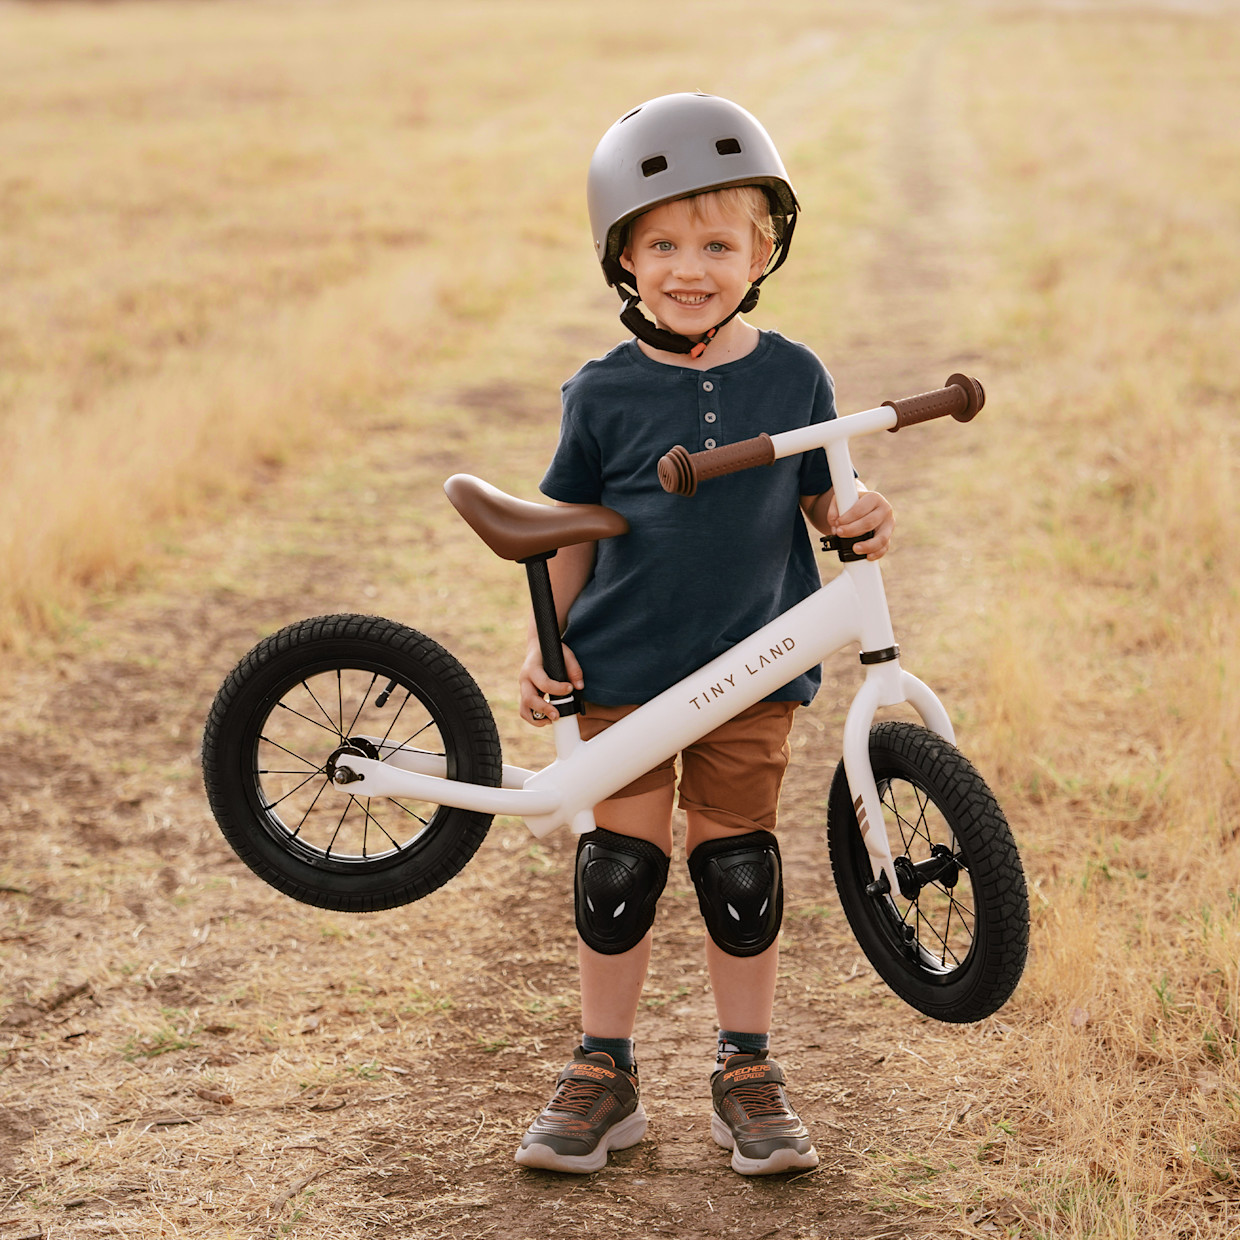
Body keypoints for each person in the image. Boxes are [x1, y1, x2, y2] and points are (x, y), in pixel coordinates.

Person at [514, 93, 894, 1176]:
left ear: (762, 252)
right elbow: (567, 529)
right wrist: (545, 644)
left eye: (718, 245)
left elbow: (827, 500)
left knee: (738, 871)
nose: (691, 269)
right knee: (618, 871)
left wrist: (859, 516)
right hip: (624, 674)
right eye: (664, 246)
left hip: (753, 671)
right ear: (623, 260)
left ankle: (746, 1070)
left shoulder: (794, 375)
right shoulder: (601, 393)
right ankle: (603, 1070)